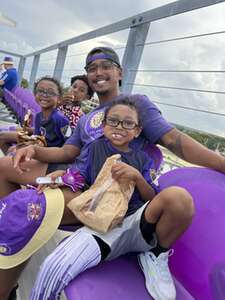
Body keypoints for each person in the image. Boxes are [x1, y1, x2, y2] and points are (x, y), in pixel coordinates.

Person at [0, 46, 224, 299]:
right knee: (5, 169)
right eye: (92, 68)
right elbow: (66, 153)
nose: (99, 72)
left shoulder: (136, 106)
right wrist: (33, 150)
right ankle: (8, 262)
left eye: (106, 66)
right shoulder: (86, 118)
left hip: (108, 195)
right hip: (78, 181)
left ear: (120, 72)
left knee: (25, 209)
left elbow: (175, 140)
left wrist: (221, 163)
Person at [30, 97, 182, 300]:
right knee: (53, 267)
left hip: (136, 221)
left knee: (180, 197)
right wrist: (61, 177)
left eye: (128, 123)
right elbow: (79, 177)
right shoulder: (94, 148)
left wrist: (136, 177)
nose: (119, 126)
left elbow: (151, 198)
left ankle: (156, 253)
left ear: (137, 131)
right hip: (101, 223)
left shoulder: (143, 159)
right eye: (113, 120)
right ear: (103, 125)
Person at [0, 76, 71, 154]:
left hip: (49, 155)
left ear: (59, 98)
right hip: (37, 148)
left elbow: (68, 144)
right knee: (4, 140)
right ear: (34, 94)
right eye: (40, 91)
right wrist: (25, 144)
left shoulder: (61, 119)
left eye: (51, 92)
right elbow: (36, 137)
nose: (45, 95)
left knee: (13, 151)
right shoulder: (38, 116)